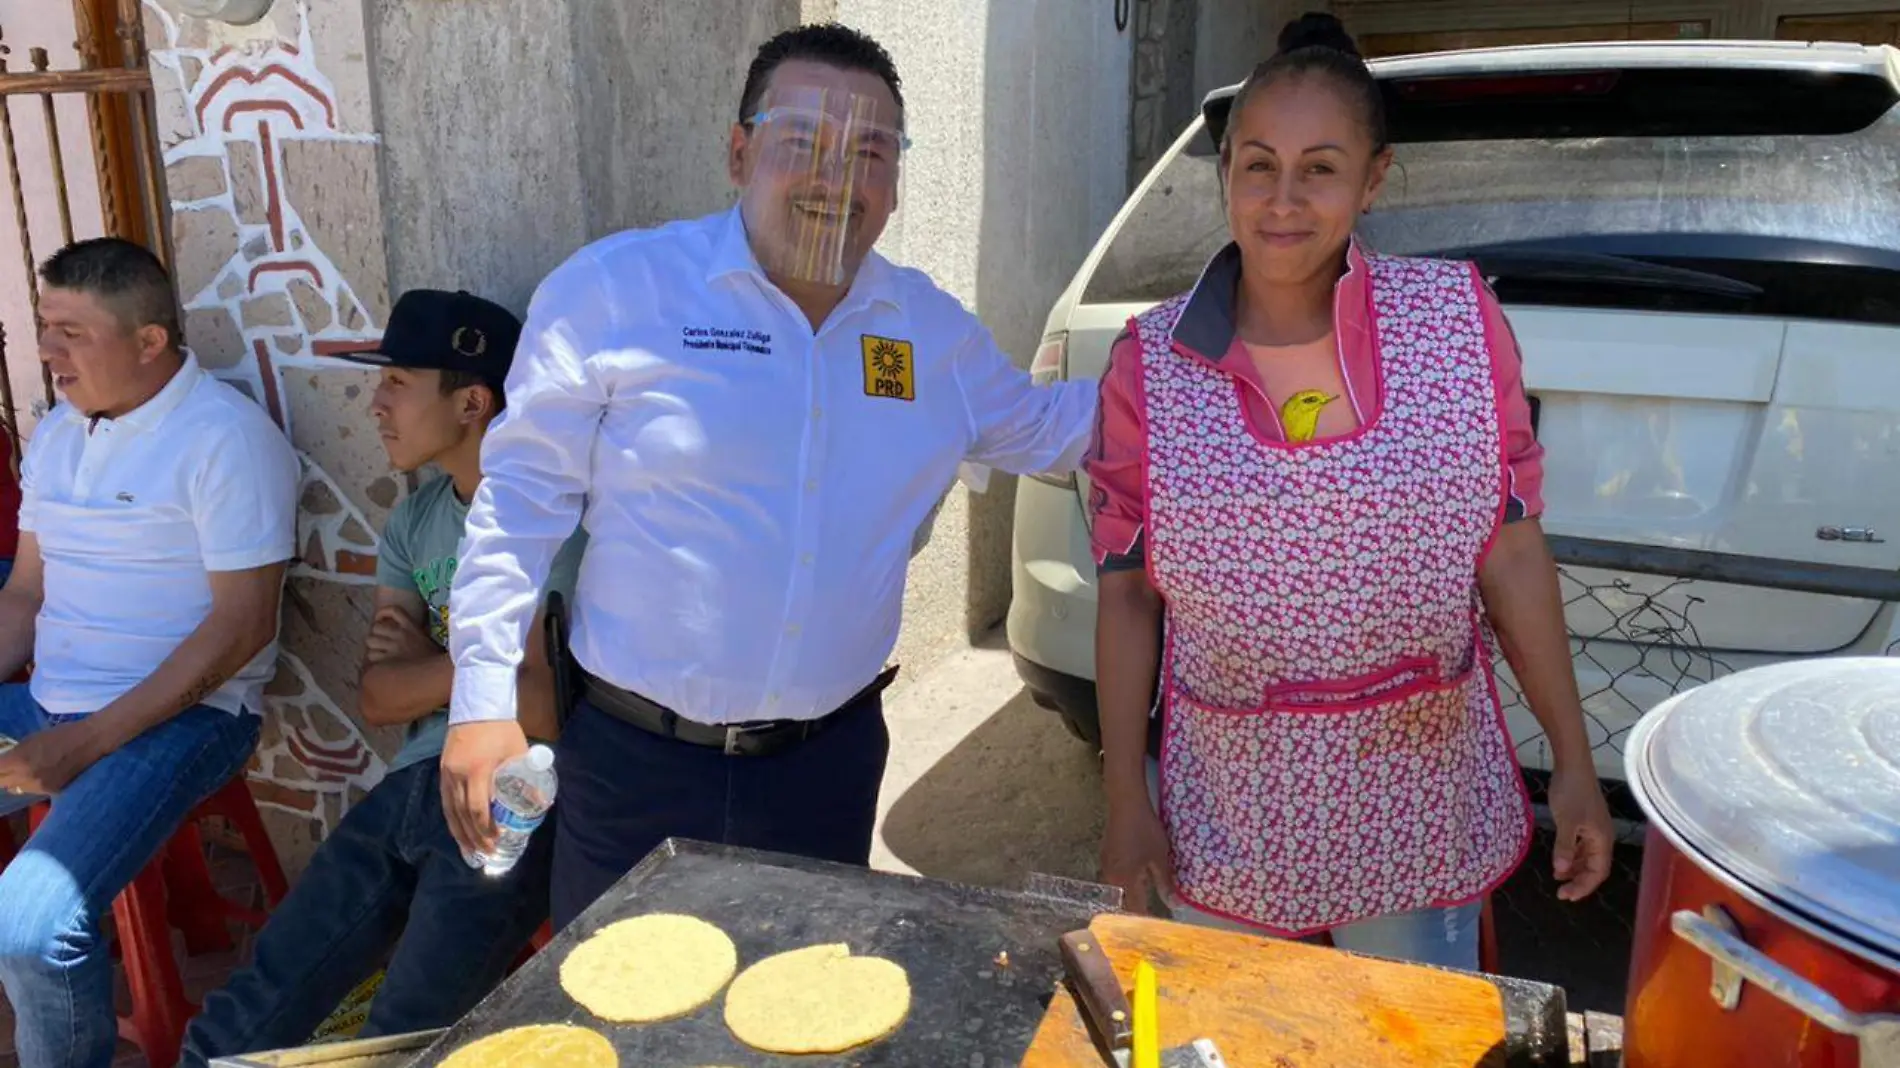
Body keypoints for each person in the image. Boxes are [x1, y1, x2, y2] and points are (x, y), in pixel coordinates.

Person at [440, 22, 1098, 929]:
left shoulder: (928, 336)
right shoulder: (617, 294)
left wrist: (1231, 364)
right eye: (804, 142)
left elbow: (1054, 430)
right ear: (740, 151)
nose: (837, 179)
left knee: (804, 1021)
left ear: (896, 182)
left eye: (870, 151)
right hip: (637, 767)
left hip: (824, 772)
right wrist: (480, 703)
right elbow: (518, 507)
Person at [1088, 14, 1616, 970]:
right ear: (1227, 174)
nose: (1283, 199)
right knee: (1241, 1032)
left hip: (1416, 798)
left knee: (1401, 1033)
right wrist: (1130, 799)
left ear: (1374, 178)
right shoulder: (1152, 364)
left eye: (1320, 168)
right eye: (1258, 165)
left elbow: (1509, 545)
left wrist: (1573, 761)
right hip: (1236, 808)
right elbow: (1128, 589)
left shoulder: (1455, 322)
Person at [177, 290, 587, 1064]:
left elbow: (543, 706)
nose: (376, 405)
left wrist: (432, 660)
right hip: (406, 786)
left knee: (404, 1031)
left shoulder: (555, 517)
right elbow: (376, 696)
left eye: (398, 381)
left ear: (471, 400)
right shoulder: (416, 521)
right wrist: (480, 655)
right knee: (250, 1007)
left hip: (515, 798)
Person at [0, 237, 299, 1068]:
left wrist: (84, 742)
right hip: (51, 704)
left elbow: (243, 627)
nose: (49, 353)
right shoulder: (60, 432)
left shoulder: (224, 442)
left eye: (72, 332)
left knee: (26, 924)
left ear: (149, 342)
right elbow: (25, 594)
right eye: (44, 326)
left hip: (184, 719)